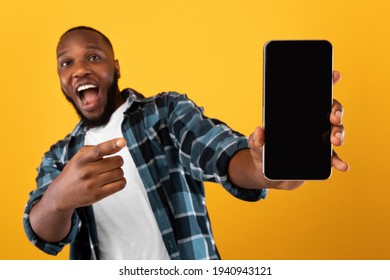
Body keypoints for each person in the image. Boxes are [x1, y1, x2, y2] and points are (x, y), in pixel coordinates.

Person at [23, 26, 349, 260]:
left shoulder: (165, 113)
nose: (79, 69)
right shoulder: (60, 156)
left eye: (93, 57)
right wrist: (58, 199)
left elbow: (218, 153)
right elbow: (42, 234)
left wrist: (264, 167)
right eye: (66, 63)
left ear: (115, 67)